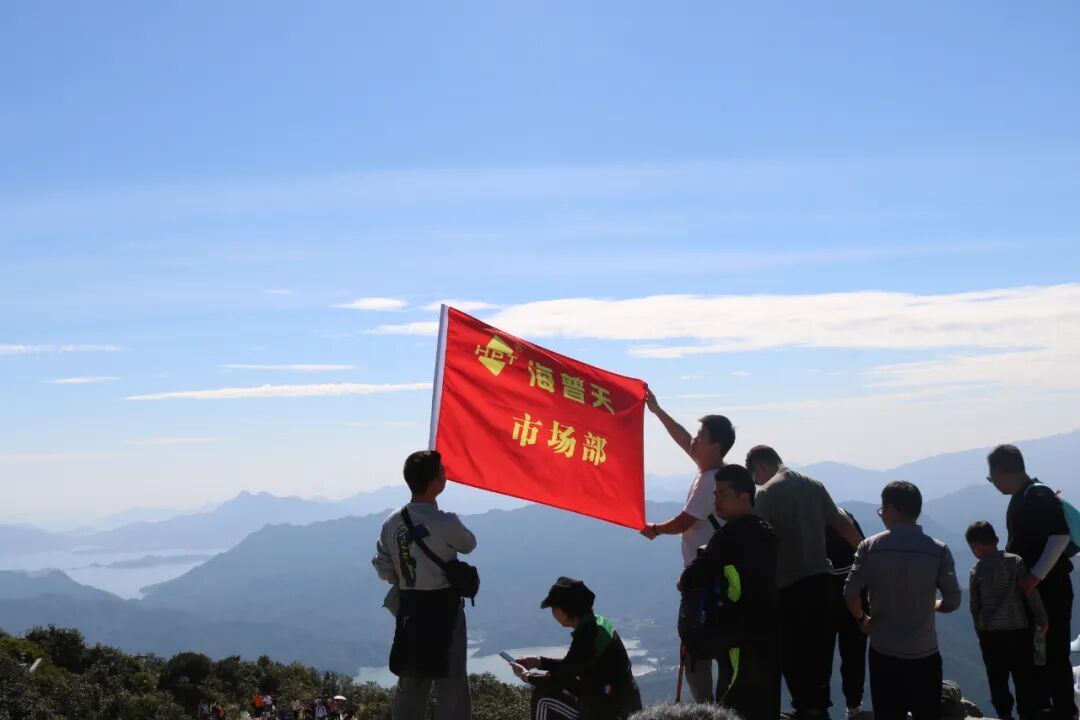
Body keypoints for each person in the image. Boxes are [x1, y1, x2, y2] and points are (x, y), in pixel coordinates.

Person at [745, 445, 862, 719]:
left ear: (760, 468)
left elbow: (756, 543)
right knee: (820, 657)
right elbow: (841, 523)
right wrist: (866, 552)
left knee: (794, 658)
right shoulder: (814, 485)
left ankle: (805, 710)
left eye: (755, 478)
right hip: (824, 584)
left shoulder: (766, 494)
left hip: (790, 588)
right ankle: (819, 710)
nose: (757, 483)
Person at [639, 386, 734, 702]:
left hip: (706, 581)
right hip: (713, 578)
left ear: (715, 447)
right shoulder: (713, 473)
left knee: (697, 651)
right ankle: (718, 708)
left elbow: (684, 521)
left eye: (700, 437)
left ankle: (708, 710)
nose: (693, 441)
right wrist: (658, 411)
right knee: (712, 651)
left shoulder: (710, 482)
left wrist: (654, 529)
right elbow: (682, 439)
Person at [372, 449, 477, 720]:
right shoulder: (446, 522)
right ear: (434, 482)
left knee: (411, 681)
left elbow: (383, 566)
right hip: (446, 611)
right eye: (442, 471)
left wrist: (404, 579)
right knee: (451, 684)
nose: (445, 475)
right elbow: (469, 544)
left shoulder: (392, 522)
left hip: (410, 610)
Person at [844, 481, 962, 720]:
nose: (881, 514)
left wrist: (862, 619)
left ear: (891, 508)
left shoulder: (870, 547)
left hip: (883, 652)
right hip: (925, 654)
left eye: (882, 509)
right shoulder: (939, 550)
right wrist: (933, 605)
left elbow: (850, 592)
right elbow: (953, 601)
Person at [678, 465, 781, 720]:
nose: (716, 500)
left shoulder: (729, 535)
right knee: (764, 705)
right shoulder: (767, 531)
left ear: (744, 497)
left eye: (723, 494)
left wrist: (683, 580)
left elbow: (693, 577)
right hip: (769, 634)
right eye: (715, 494)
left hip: (738, 637)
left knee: (731, 706)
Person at [988, 444, 1077, 720]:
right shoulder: (1027, 495)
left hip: (1050, 590)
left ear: (1001, 472)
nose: (993, 484)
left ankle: (1063, 711)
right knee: (1041, 653)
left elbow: (1059, 536)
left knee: (1053, 653)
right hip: (1041, 591)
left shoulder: (1036, 495)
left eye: (991, 478)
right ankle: (1047, 709)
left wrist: (1034, 577)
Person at [514, 577, 642, 720]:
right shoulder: (597, 624)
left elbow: (561, 677)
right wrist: (538, 662)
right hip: (619, 703)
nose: (552, 612)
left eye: (553, 607)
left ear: (565, 610)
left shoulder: (588, 635)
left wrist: (526, 676)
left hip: (610, 712)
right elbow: (571, 666)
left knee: (543, 698)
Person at [966, 519, 1048, 720]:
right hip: (1018, 631)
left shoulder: (976, 571)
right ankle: (1027, 713)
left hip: (990, 635)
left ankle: (1004, 713)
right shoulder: (1015, 562)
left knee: (997, 678)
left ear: (975, 547)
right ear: (996, 540)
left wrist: (979, 633)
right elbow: (1030, 591)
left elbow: (975, 607)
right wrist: (1041, 618)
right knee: (1023, 677)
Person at [826, 508, 868, 719]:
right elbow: (864, 554)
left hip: (820, 594)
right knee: (854, 653)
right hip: (854, 593)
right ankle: (854, 706)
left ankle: (816, 707)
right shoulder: (847, 518)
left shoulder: (806, 523)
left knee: (820, 653)